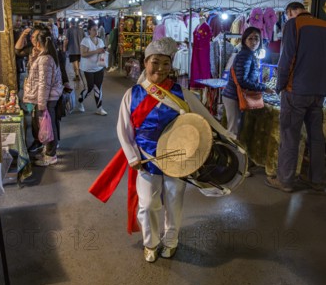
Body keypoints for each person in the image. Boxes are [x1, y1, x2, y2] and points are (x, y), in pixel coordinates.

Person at [113, 37, 239, 263]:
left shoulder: (181, 92)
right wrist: (132, 155)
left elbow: (205, 116)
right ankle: (150, 243)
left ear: (171, 66)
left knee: (174, 201)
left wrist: (226, 134)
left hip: (180, 158)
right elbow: (123, 128)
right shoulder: (132, 94)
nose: (160, 69)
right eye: (155, 62)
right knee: (148, 204)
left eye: (165, 64)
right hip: (147, 158)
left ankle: (171, 241)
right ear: (145, 62)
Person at [265, 2, 326, 193]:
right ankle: (317, 180)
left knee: (290, 136)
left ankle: (285, 180)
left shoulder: (293, 25)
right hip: (319, 92)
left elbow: (287, 58)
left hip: (296, 90)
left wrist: (280, 85)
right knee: (316, 138)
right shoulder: (324, 25)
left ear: (290, 12)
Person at [222, 27, 274, 139]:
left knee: (235, 130)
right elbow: (242, 81)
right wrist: (263, 88)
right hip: (233, 97)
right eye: (250, 39)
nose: (254, 42)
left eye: (257, 38)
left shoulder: (249, 54)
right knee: (232, 132)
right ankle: (230, 155)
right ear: (244, 40)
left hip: (234, 96)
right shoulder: (245, 55)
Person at [23, 29, 63, 166]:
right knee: (46, 125)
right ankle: (48, 152)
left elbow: (43, 83)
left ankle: (51, 155)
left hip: (46, 98)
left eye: (34, 39)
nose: (32, 41)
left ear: (39, 42)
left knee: (48, 126)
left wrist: (41, 103)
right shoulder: (43, 56)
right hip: (46, 97)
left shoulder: (45, 59)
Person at [78, 20, 107, 115]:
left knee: (98, 87)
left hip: (98, 68)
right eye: (94, 30)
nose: (96, 32)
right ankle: (80, 101)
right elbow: (83, 54)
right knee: (89, 88)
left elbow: (101, 52)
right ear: (89, 31)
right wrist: (96, 51)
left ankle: (99, 108)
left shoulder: (100, 41)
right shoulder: (85, 41)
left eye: (97, 30)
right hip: (86, 69)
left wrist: (103, 52)